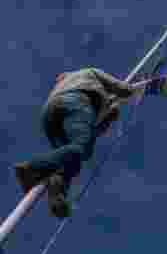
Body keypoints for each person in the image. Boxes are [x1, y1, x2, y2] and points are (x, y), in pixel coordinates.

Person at [13, 69, 152, 218]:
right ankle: (31, 168)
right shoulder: (90, 72)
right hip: (76, 102)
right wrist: (134, 89)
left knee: (70, 158)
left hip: (50, 112)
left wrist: (108, 114)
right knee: (81, 148)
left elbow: (92, 129)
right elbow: (121, 88)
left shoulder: (61, 85)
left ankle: (57, 187)